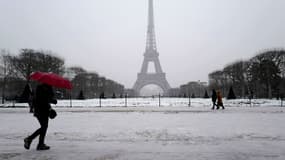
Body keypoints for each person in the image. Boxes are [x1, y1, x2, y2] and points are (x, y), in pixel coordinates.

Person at [24, 83, 57, 150]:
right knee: (44, 127)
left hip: (42, 110)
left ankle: (40, 144)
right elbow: (44, 99)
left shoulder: (43, 87)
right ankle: (30, 139)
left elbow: (46, 98)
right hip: (41, 110)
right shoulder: (43, 88)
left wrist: (51, 99)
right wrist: (53, 100)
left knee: (44, 127)